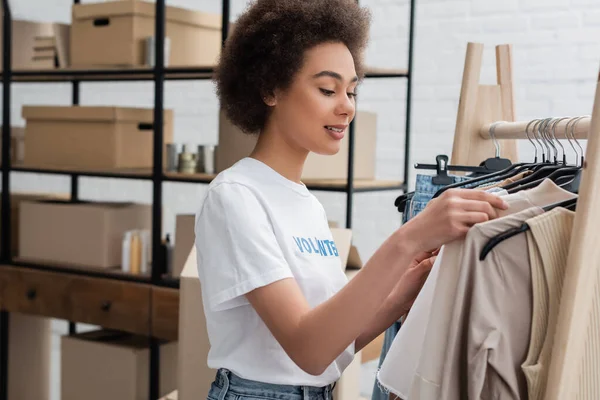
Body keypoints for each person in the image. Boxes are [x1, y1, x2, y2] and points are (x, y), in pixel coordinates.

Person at [194, 1, 509, 399]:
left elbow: (335, 343)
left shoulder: (307, 204)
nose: (346, 106)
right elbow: (308, 349)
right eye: (328, 89)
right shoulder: (235, 196)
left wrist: (409, 286)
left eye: (352, 91)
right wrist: (407, 239)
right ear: (270, 89)